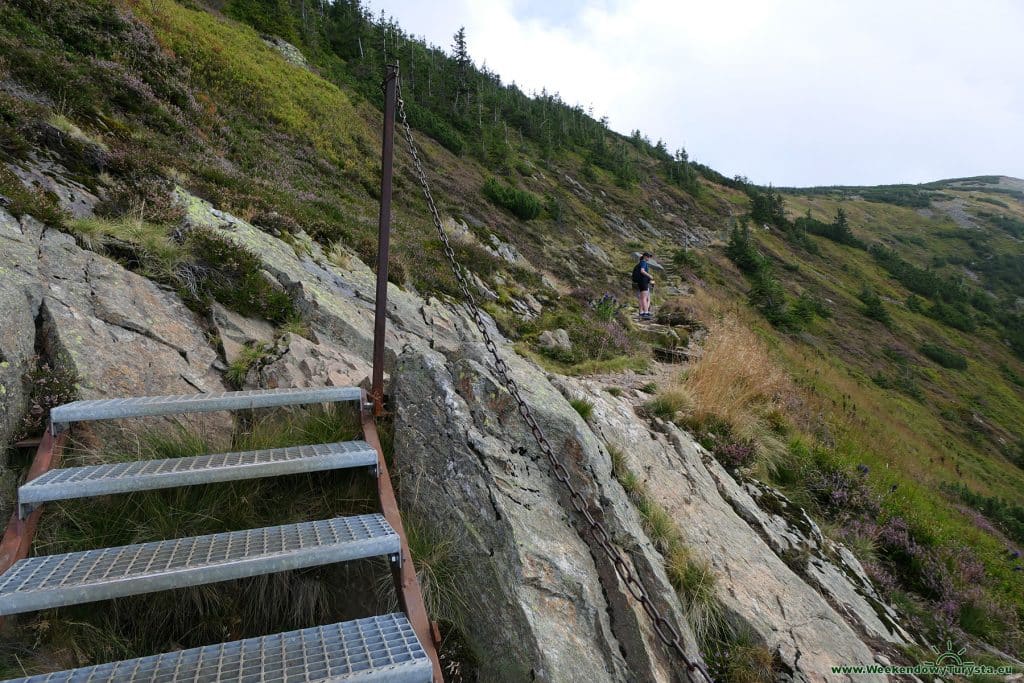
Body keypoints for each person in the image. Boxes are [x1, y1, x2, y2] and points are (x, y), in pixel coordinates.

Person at [631, 252, 654, 319]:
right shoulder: (643, 262)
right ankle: (646, 313)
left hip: (640, 282)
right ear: (644, 257)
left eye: (649, 256)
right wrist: (650, 276)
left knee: (641, 298)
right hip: (643, 282)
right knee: (644, 298)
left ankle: (641, 312)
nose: (649, 258)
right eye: (648, 256)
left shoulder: (640, 263)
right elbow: (642, 271)